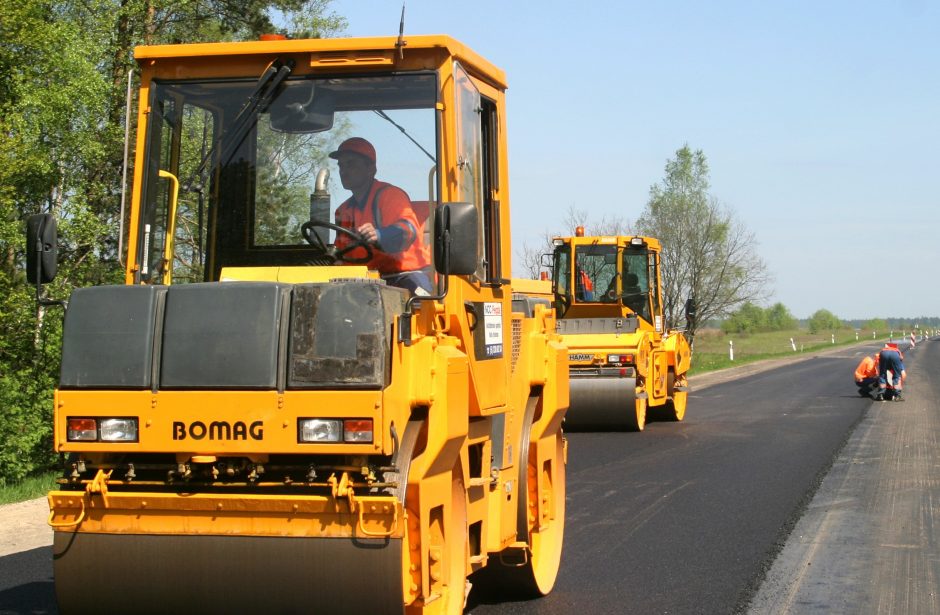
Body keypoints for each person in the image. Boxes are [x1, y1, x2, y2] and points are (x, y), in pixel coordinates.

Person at [330, 137, 433, 295]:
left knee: (420, 305)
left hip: (403, 277)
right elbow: (341, 253)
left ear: (371, 168)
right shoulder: (343, 210)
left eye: (350, 164)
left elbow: (407, 231)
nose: (343, 171)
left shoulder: (389, 196)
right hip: (365, 282)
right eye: (341, 166)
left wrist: (379, 235)